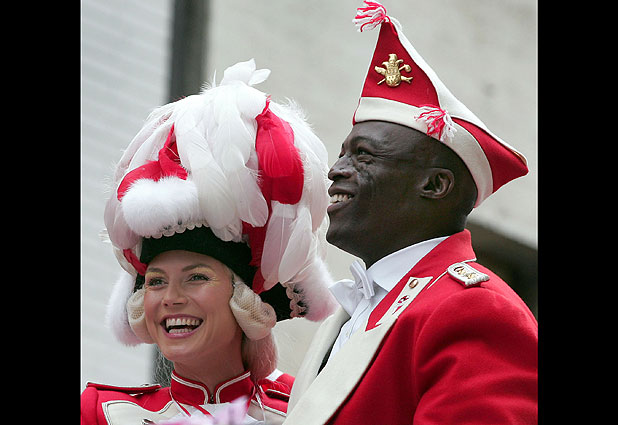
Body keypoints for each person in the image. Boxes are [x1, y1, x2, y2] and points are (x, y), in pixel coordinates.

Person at [284, 2, 537, 424]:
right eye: (343, 153)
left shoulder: (474, 310)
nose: (336, 169)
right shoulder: (357, 308)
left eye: (364, 156)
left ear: (435, 186)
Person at [81, 59, 338, 425]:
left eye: (196, 277)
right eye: (155, 281)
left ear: (246, 299)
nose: (170, 297)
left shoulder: (307, 414)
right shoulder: (103, 414)